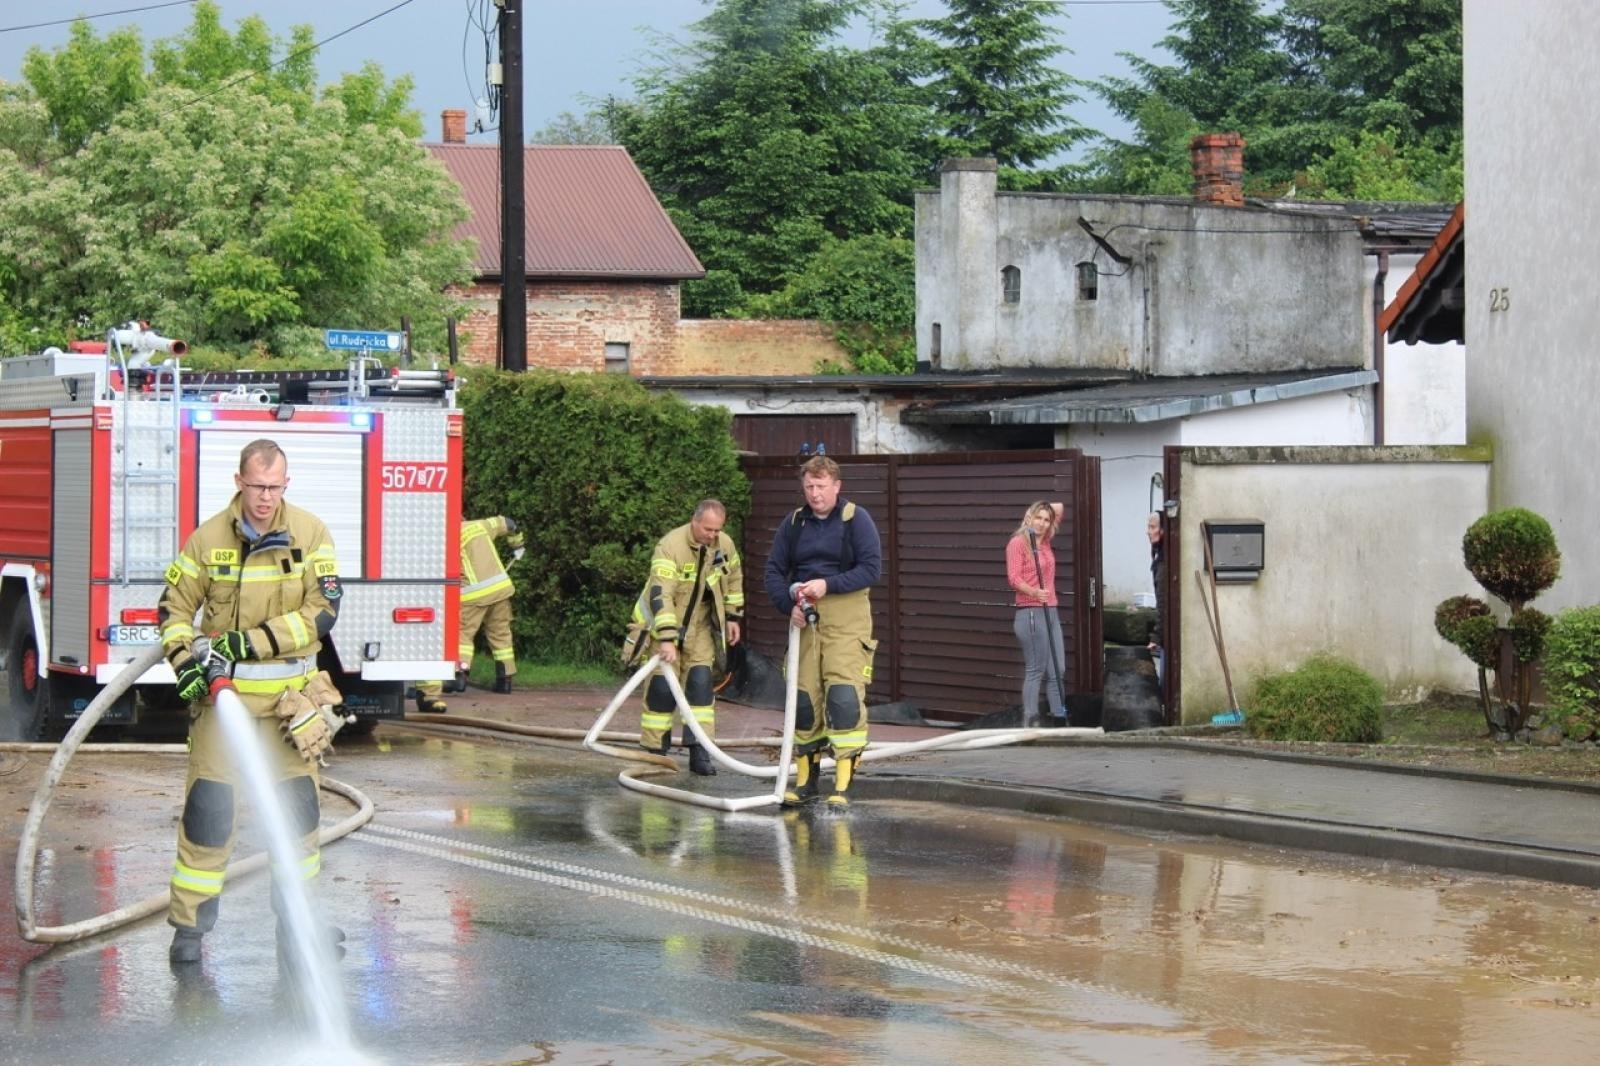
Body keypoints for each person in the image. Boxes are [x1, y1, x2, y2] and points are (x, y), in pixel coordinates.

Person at [159, 439, 342, 965]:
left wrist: (251, 642)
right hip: (225, 707)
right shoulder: (206, 540)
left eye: (276, 487)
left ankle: (299, 927)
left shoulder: (310, 534)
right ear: (238, 481)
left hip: (290, 707)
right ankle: (189, 933)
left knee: (298, 819)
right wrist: (184, 664)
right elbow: (173, 611)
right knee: (209, 815)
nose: (266, 497)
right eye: (258, 486)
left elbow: (324, 609)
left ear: (287, 483)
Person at [763, 455, 882, 808]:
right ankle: (805, 782)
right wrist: (790, 606)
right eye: (809, 487)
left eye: (821, 486)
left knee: (843, 696)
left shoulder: (856, 520)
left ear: (837, 486)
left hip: (846, 616)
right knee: (803, 700)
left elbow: (871, 569)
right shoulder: (794, 523)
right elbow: (773, 571)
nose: (815, 494)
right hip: (805, 615)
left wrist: (827, 585)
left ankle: (843, 785)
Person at [631, 499, 744, 776]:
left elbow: (734, 577)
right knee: (661, 690)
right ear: (694, 522)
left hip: (701, 629)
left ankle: (700, 753)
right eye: (708, 529)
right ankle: (656, 753)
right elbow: (661, 595)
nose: (713, 535)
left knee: (700, 688)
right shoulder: (669, 547)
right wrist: (667, 638)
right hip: (664, 625)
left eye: (718, 530)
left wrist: (733, 617)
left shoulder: (724, 545)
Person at [415, 515, 525, 712]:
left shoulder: (444, 537)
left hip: (471, 595)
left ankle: (459, 677)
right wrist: (517, 545)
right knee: (501, 635)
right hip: (500, 590)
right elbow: (510, 523)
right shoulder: (481, 526)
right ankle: (505, 681)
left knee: (462, 635)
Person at [1006, 501, 1066, 727]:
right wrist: (1034, 592)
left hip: (1051, 610)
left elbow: (1059, 507)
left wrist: (1039, 509)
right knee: (1036, 669)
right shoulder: (1017, 543)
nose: (1041, 524)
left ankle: (1059, 718)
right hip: (1030, 612)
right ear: (1029, 518)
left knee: (1057, 669)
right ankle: (1030, 720)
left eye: (1046, 520)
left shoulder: (1046, 541)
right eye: (1037, 518)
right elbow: (1013, 578)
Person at [1147, 511, 1166, 683]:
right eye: (1148, 527)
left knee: (1165, 683)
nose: (1148, 531)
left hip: (1170, 633)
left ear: (1163, 531)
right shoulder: (1159, 557)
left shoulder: (1165, 563)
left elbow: (1164, 605)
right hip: (1166, 633)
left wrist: (1156, 637)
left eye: (1153, 527)